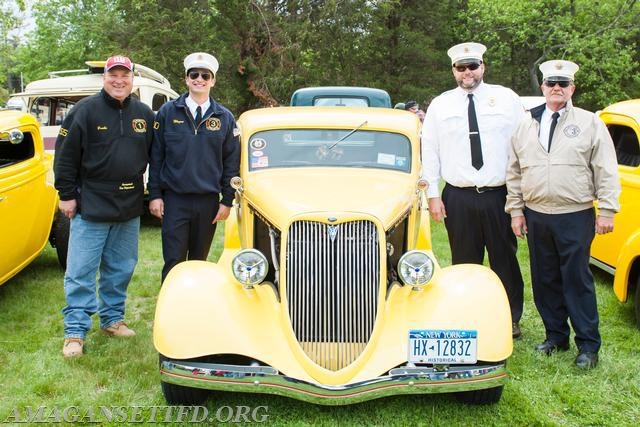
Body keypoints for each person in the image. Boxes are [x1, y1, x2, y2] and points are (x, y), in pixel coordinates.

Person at [506, 60, 620, 369]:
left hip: (575, 213)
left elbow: (606, 169)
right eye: (551, 84)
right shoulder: (526, 123)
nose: (557, 88)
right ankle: (556, 336)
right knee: (545, 279)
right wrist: (516, 211)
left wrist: (607, 209)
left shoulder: (589, 122)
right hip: (537, 213)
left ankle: (588, 345)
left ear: (572, 88)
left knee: (576, 278)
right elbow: (514, 171)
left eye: (563, 84)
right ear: (542, 88)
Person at [421, 42, 526, 339]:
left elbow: (523, 145)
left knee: (504, 258)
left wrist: (522, 195)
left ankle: (509, 317)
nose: (467, 72)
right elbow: (429, 150)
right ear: (453, 71)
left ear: (483, 67)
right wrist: (432, 194)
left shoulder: (506, 99)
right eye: (461, 67)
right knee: (464, 261)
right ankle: (466, 316)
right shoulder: (441, 105)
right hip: (459, 194)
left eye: (472, 66)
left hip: (499, 194)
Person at [54, 55, 155, 358]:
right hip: (91, 205)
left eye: (125, 75)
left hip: (128, 206)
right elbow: (64, 155)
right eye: (114, 75)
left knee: (120, 268)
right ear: (104, 78)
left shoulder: (144, 114)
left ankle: (112, 319)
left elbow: (157, 156)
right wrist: (66, 193)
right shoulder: (84, 111)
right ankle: (75, 331)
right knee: (80, 270)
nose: (119, 80)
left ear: (132, 79)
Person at [148, 52, 240, 282]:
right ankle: (171, 315)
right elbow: (156, 156)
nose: (200, 79)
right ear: (186, 79)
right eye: (194, 74)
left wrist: (227, 200)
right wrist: (155, 195)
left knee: (199, 263)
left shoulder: (225, 118)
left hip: (208, 202)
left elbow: (231, 162)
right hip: (174, 200)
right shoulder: (168, 112)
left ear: (213, 81)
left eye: (205, 75)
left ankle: (195, 313)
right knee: (174, 262)